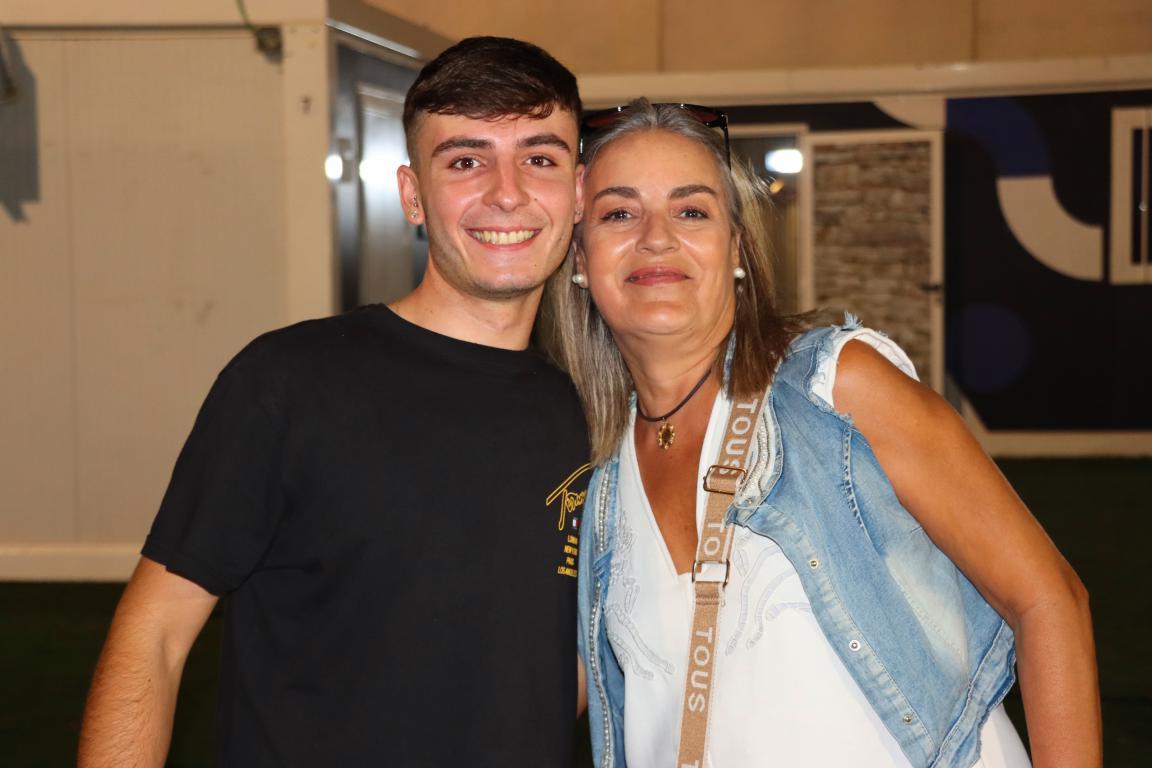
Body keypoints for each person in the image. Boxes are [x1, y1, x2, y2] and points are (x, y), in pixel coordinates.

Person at [79, 37, 591, 767]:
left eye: (540, 158)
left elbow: (550, 668)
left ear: (578, 191)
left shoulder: (590, 409)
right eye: (465, 161)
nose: (506, 193)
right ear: (412, 195)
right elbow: (153, 637)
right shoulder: (291, 382)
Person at [546, 99, 1101, 767]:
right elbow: (545, 690)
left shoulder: (834, 387)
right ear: (579, 258)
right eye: (618, 214)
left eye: (691, 211)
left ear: (737, 249)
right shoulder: (592, 475)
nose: (656, 237)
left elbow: (1048, 601)